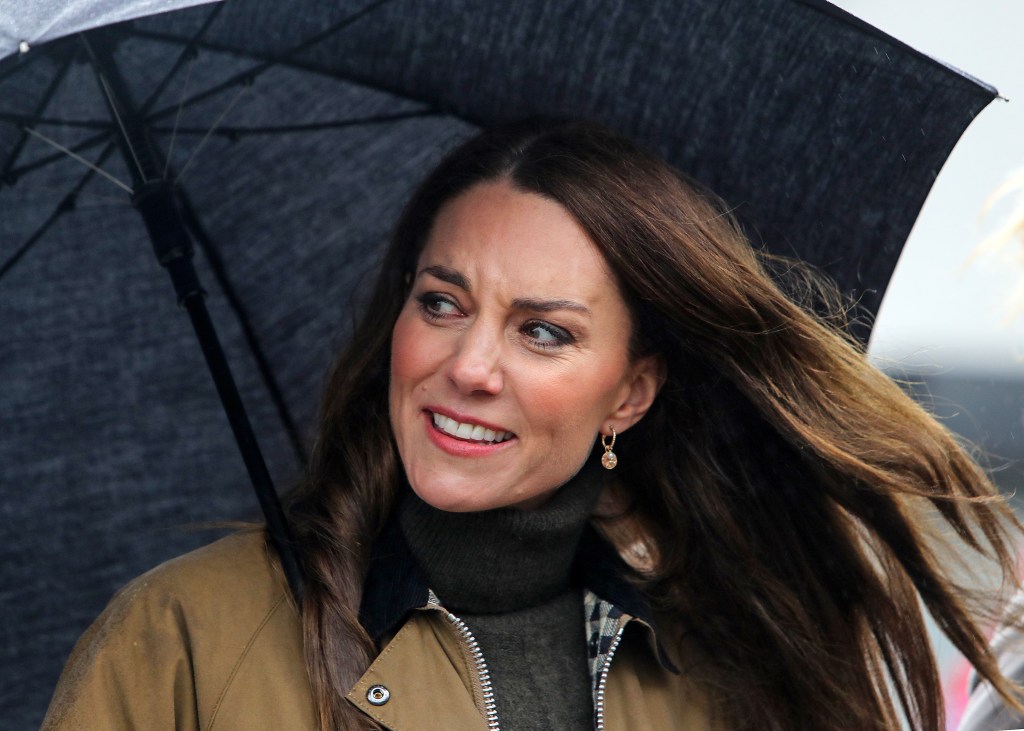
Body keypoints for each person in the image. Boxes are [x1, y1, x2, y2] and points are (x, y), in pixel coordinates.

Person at [42, 119, 1024, 731]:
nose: (467, 365)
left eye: (543, 331)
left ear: (630, 392)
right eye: (440, 302)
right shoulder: (182, 639)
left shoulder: (724, 658)